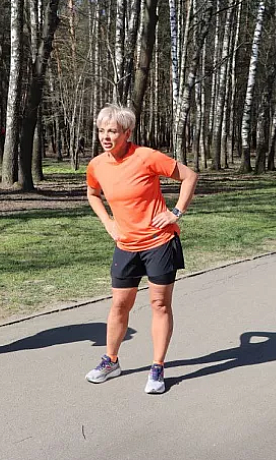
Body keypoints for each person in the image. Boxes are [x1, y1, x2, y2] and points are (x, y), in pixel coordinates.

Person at [84, 104, 198, 394]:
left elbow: (189, 176)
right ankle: (111, 360)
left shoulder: (146, 157)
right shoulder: (97, 165)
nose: (106, 136)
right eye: (101, 131)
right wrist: (108, 223)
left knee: (159, 304)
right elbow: (92, 193)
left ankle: (157, 367)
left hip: (159, 243)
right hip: (126, 246)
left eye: (112, 131)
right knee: (120, 305)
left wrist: (176, 212)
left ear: (127, 132)